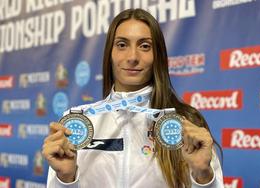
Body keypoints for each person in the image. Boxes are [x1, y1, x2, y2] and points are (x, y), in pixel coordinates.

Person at [42, 8, 224, 188]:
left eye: (145, 46)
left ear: (157, 55)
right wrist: (65, 179)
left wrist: (203, 176)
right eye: (122, 45)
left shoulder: (186, 122)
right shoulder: (78, 122)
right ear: (109, 54)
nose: (132, 57)